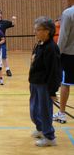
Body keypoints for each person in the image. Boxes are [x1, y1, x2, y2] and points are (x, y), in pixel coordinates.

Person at [29, 16, 61, 147]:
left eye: (38, 29)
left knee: (44, 111)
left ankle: (49, 137)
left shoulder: (51, 48)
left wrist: (52, 91)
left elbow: (54, 72)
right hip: (35, 83)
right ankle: (41, 128)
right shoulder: (39, 44)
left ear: (47, 31)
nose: (35, 32)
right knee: (34, 110)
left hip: (44, 85)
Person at [53, 0, 74, 124]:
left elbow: (63, 36)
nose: (63, 2)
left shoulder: (68, 13)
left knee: (65, 84)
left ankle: (61, 113)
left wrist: (56, 54)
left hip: (69, 55)